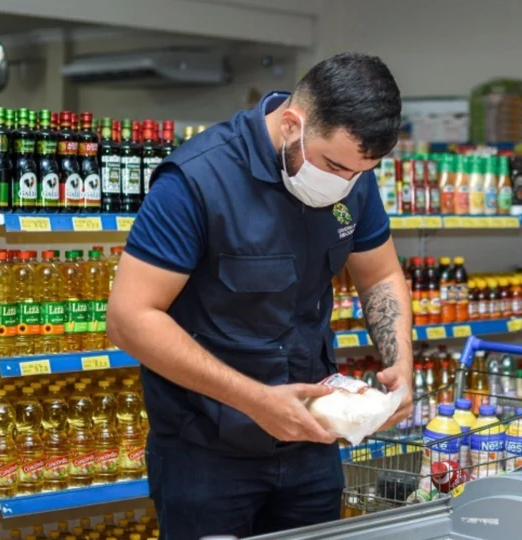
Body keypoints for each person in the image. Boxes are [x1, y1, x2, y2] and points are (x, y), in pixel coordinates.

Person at [107, 52, 412, 539]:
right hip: (206, 450)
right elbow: (129, 317)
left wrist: (401, 361)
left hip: (313, 440)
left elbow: (379, 276)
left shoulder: (353, 178)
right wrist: (256, 401)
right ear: (292, 124)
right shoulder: (196, 181)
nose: (344, 184)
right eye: (334, 165)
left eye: (360, 172)